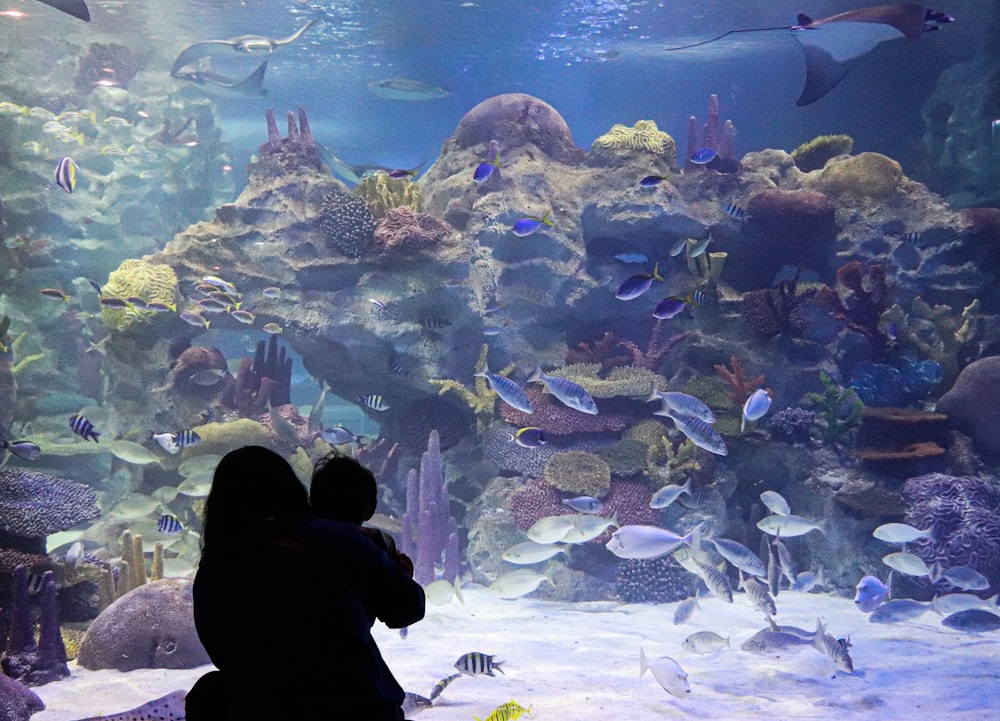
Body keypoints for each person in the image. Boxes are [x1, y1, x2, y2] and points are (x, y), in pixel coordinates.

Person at [188, 445, 425, 721]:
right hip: (361, 708)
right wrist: (397, 574)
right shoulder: (342, 538)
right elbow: (407, 610)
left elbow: (219, 651)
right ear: (291, 488)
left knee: (208, 693)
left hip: (265, 710)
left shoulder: (215, 566)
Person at [309, 451, 413, 577]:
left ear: (312, 502)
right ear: (371, 509)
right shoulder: (378, 542)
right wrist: (404, 568)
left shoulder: (303, 541)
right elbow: (408, 593)